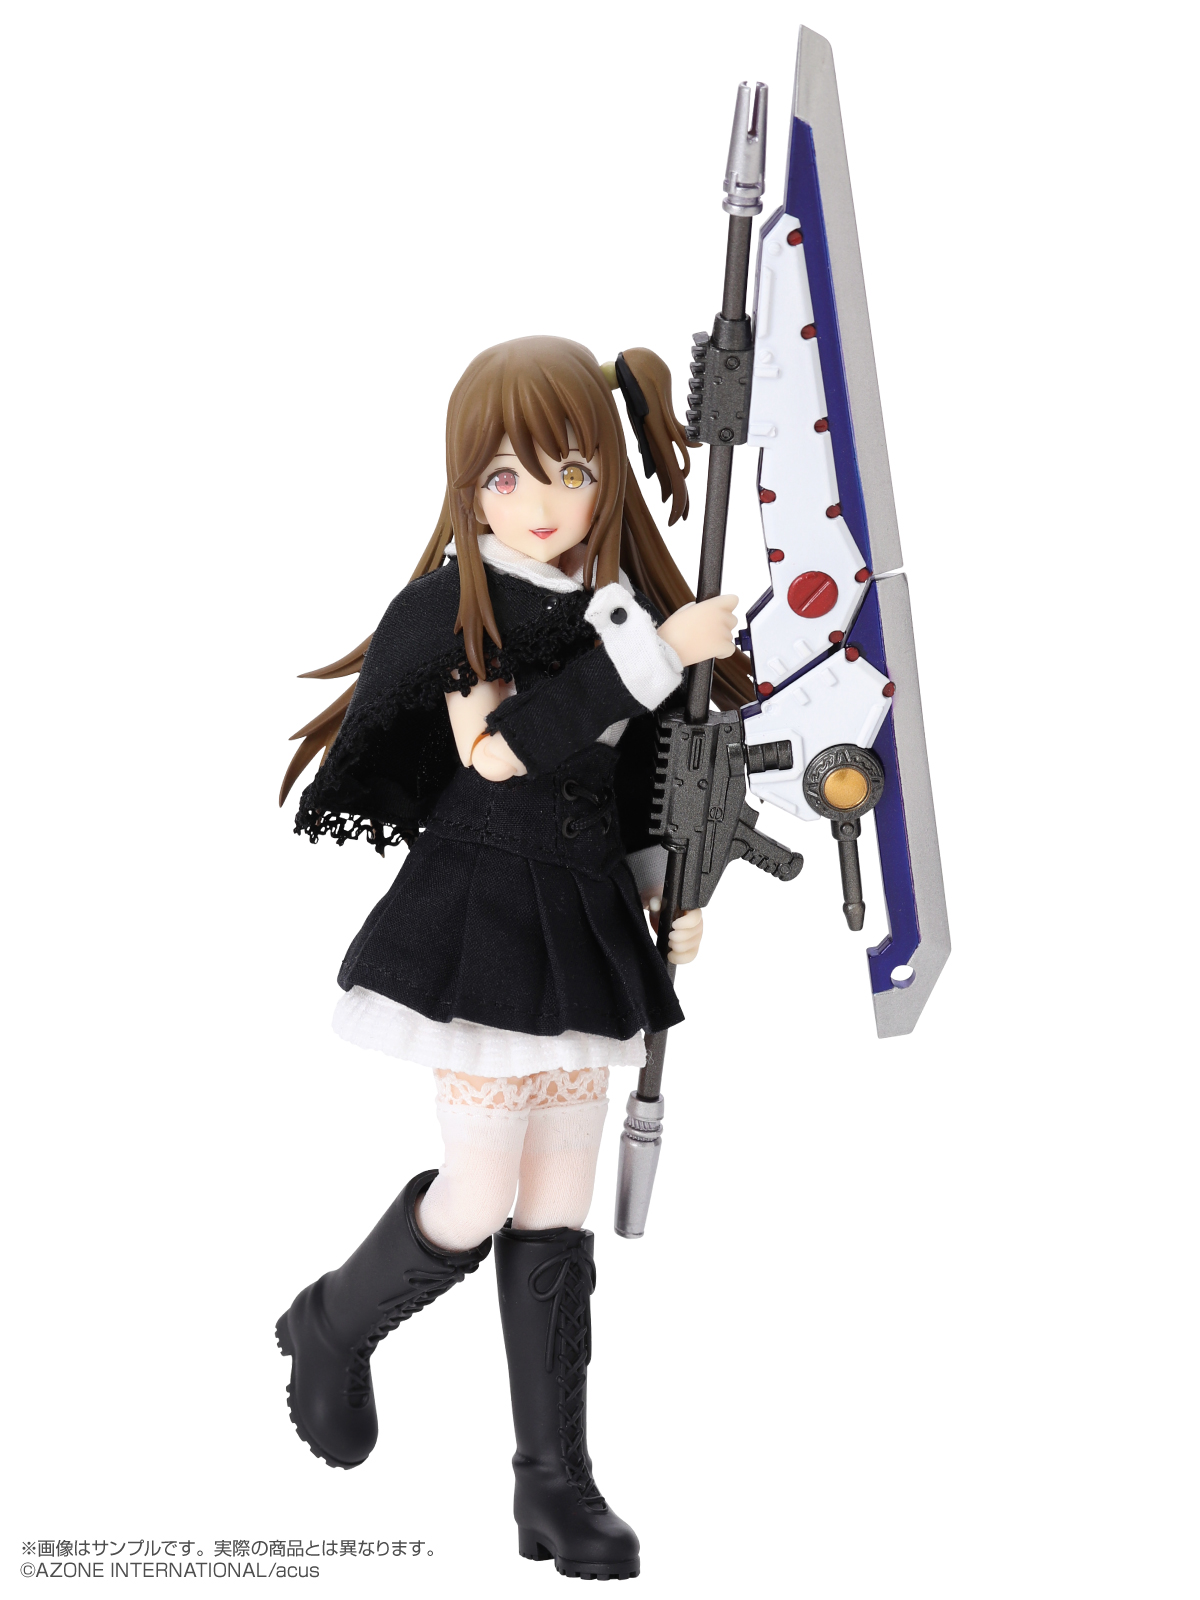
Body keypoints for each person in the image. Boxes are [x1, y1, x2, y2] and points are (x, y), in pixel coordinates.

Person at [275, 335, 750, 1580]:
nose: (541, 506)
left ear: (608, 481)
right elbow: (502, 752)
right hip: (484, 918)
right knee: (480, 1192)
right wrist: (660, 652)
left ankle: (554, 1478)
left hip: (585, 919)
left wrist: (667, 891)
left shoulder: (621, 613)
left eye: (572, 474)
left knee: (556, 1206)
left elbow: (634, 779)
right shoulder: (463, 610)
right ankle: (332, 1322)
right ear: (467, 486)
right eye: (506, 477)